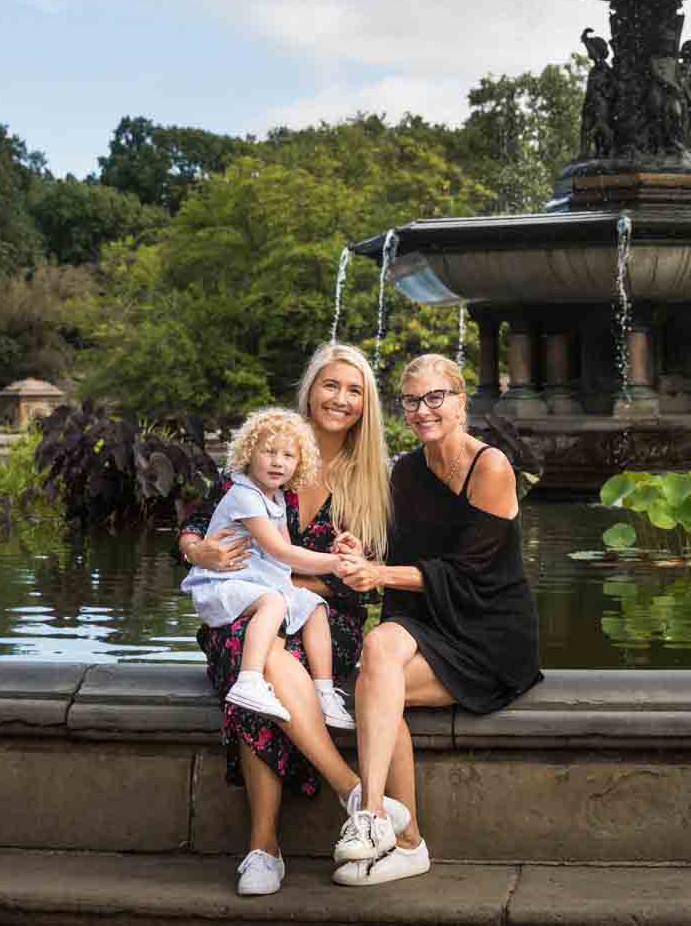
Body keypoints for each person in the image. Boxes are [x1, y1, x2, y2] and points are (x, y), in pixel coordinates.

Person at [176, 342, 396, 899]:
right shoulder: (272, 450)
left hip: (327, 623)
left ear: (365, 404)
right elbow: (200, 522)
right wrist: (197, 551)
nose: (340, 399)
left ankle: (263, 845)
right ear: (310, 389)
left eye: (354, 391)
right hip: (249, 613)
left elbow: (358, 582)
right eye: (331, 385)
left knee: (267, 660)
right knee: (263, 655)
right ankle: (346, 792)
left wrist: (295, 583)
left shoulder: (370, 478)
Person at [329, 353, 543, 887]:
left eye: (434, 398)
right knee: (379, 655)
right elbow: (403, 553)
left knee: (375, 687)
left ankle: (406, 840)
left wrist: (378, 574)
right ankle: (376, 818)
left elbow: (466, 573)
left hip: (489, 631)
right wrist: (363, 551)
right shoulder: (407, 470)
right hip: (430, 622)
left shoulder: (490, 466)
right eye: (411, 401)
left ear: (459, 400)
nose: (423, 410)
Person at [180, 407, 354, 732]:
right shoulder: (244, 494)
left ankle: (325, 691)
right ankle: (249, 680)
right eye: (269, 452)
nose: (278, 462)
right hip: (224, 585)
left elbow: (286, 558)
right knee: (274, 602)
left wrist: (334, 555)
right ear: (249, 452)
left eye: (288, 455)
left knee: (314, 606)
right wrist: (333, 564)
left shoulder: (276, 498)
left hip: (256, 583)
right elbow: (279, 549)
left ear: (299, 463)